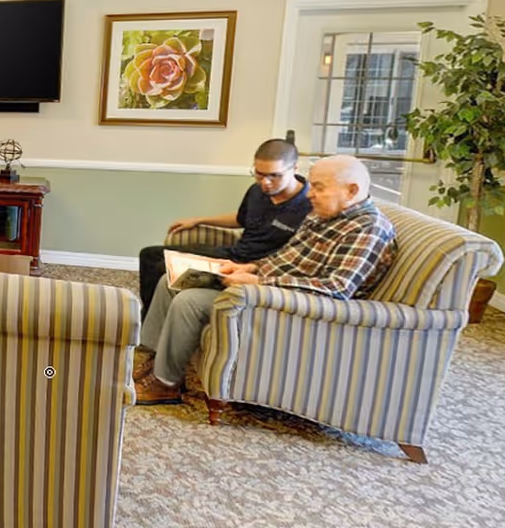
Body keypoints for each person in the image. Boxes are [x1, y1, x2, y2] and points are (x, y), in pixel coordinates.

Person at [134, 154, 397, 406]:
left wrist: (260, 282)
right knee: (170, 282)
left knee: (188, 300)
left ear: (351, 191)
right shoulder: (323, 216)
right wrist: (249, 267)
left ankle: (165, 384)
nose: (310, 194)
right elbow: (285, 257)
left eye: (318, 187)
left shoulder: (368, 228)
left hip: (290, 307)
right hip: (267, 288)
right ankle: (157, 361)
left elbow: (336, 288)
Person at [137, 139, 310, 308]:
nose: (265, 182)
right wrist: (199, 220)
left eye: (275, 175)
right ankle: (146, 320)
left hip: (254, 268)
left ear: (294, 168)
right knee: (150, 256)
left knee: (163, 269)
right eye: (260, 174)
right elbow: (240, 219)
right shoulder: (257, 191)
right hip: (232, 254)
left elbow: (298, 258)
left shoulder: (310, 205)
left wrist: (253, 269)